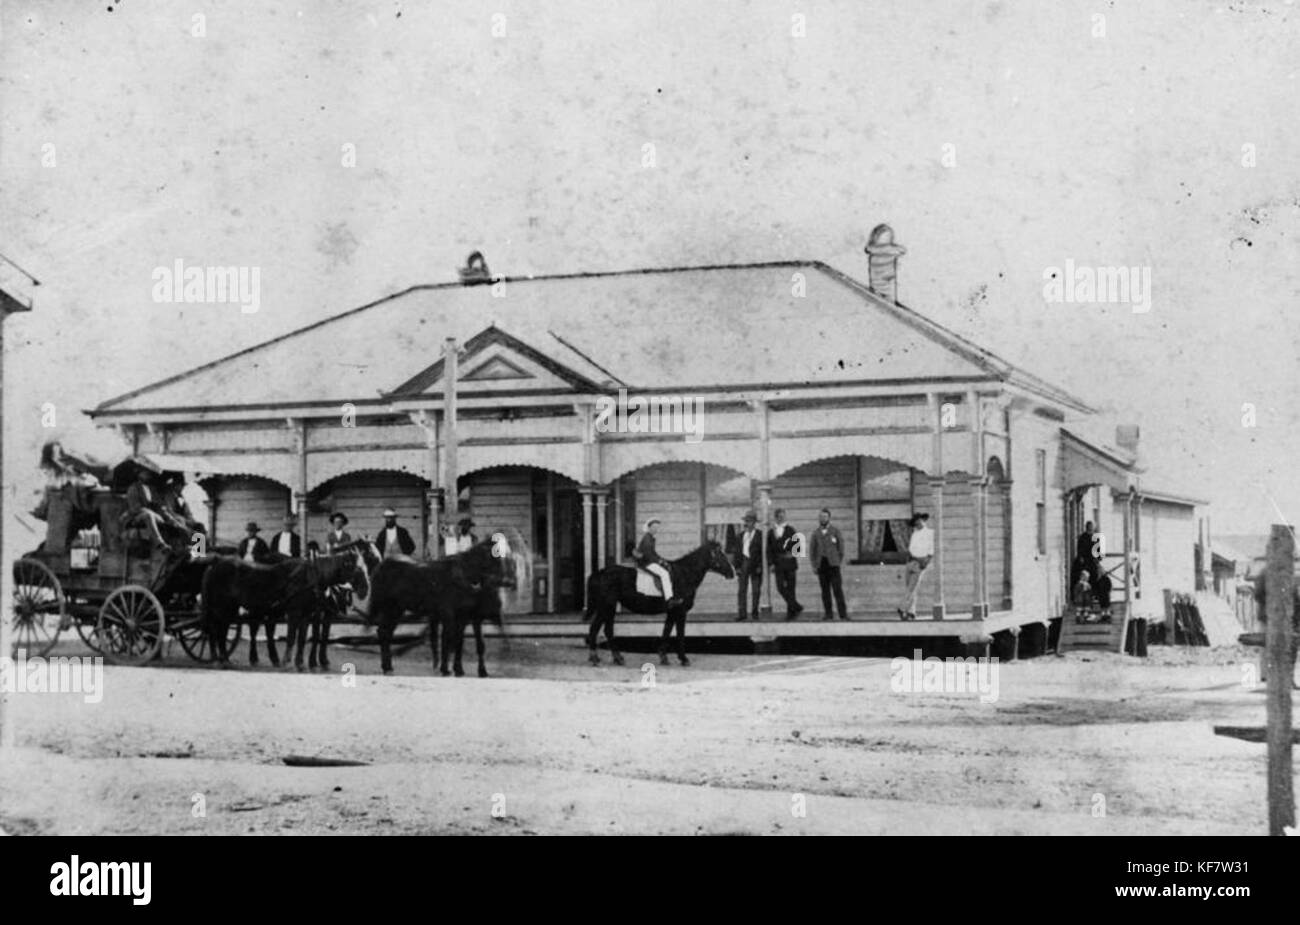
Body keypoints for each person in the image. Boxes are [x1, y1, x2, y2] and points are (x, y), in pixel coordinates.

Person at [809, 508, 849, 621]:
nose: (823, 519)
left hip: (833, 565)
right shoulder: (816, 533)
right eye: (821, 517)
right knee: (825, 591)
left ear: (829, 518)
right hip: (822, 565)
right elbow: (812, 551)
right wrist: (814, 565)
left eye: (825, 517)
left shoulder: (835, 531)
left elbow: (841, 549)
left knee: (837, 590)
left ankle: (843, 614)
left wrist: (837, 561)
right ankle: (828, 614)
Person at [634, 518, 681, 607]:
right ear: (649, 528)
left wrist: (662, 560)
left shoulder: (651, 538)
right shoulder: (647, 538)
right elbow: (648, 554)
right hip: (646, 563)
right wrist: (659, 561)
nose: (656, 529)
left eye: (657, 527)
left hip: (649, 561)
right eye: (654, 527)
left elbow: (653, 553)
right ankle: (669, 599)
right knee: (664, 574)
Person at [896, 513, 934, 621]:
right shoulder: (915, 534)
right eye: (915, 523)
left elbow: (931, 550)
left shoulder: (930, 533)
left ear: (923, 520)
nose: (918, 524)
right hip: (910, 561)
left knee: (911, 588)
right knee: (910, 588)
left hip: (920, 562)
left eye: (919, 521)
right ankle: (911, 612)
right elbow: (911, 548)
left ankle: (902, 608)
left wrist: (925, 562)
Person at [768, 508, 804, 620]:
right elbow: (768, 550)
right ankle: (796, 606)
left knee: (791, 588)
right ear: (776, 517)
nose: (781, 518)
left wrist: (792, 554)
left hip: (789, 563)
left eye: (783, 516)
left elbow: (797, 546)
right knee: (780, 587)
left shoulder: (790, 530)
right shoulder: (771, 532)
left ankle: (791, 612)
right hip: (778, 563)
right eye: (779, 516)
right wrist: (771, 563)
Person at [123, 468, 171, 550]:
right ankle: (160, 543)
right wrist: (152, 512)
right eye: (145, 473)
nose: (148, 475)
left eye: (148, 473)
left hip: (152, 514)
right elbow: (135, 508)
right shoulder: (133, 488)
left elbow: (157, 502)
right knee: (148, 515)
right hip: (135, 517)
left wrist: (162, 512)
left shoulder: (151, 488)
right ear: (139, 474)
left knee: (167, 518)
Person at [728, 511, 763, 621]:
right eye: (746, 521)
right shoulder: (740, 536)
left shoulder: (760, 535)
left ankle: (754, 612)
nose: (747, 523)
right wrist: (737, 567)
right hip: (743, 562)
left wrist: (760, 566)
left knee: (756, 590)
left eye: (750, 521)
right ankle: (742, 613)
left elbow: (764, 552)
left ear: (754, 523)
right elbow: (737, 553)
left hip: (755, 564)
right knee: (742, 590)